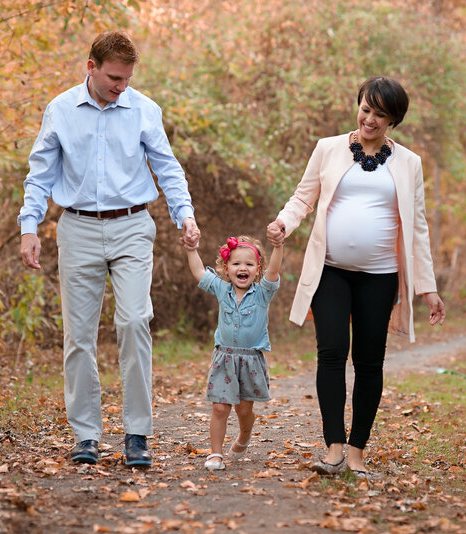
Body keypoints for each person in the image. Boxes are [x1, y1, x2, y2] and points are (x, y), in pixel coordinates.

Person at [18, 30, 200, 467]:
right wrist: (28, 225)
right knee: (78, 336)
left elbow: (167, 168)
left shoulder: (143, 109)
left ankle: (137, 433)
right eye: (114, 78)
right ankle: (86, 435)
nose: (121, 86)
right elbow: (40, 174)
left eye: (127, 78)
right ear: (91, 67)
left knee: (135, 321)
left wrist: (185, 214)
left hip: (133, 226)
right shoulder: (60, 110)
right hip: (76, 228)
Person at [266, 76, 446, 479]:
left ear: (393, 120)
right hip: (330, 272)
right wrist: (283, 222)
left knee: (369, 362)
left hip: (380, 277)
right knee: (331, 352)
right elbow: (303, 197)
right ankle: (333, 447)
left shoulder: (409, 163)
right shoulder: (328, 149)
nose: (369, 119)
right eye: (366, 109)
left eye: (380, 114)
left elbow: (417, 228)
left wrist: (427, 288)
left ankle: (358, 450)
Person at [184, 235, 284, 470]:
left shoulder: (262, 293)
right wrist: (191, 249)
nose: (243, 268)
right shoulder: (221, 289)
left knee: (244, 409)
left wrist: (278, 246)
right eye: (236, 263)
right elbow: (199, 272)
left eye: (249, 264)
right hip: (224, 357)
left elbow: (274, 271)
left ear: (257, 269)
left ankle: (244, 435)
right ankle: (216, 454)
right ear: (226, 268)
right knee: (220, 408)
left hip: (251, 360)